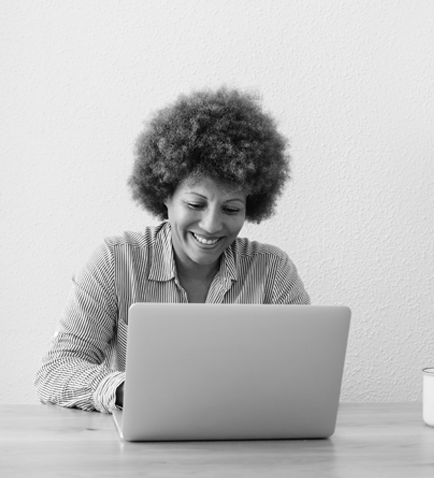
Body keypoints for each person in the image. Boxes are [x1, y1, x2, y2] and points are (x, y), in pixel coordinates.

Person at [35, 88, 310, 413]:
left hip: (245, 446)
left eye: (232, 209)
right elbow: (56, 370)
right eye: (195, 204)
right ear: (164, 195)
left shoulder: (273, 271)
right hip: (144, 453)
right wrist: (132, 390)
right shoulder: (117, 260)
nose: (211, 225)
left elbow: (306, 377)